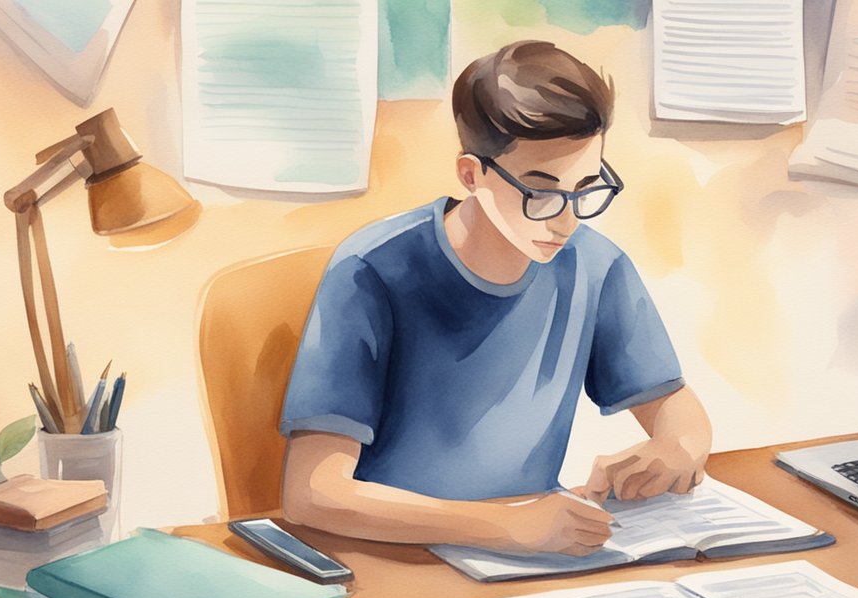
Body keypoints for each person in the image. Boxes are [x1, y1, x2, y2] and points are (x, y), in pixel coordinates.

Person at [278, 41, 711, 556]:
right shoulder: (372, 268)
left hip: (527, 559)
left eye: (586, 188)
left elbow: (675, 407)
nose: (566, 220)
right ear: (471, 175)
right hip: (396, 554)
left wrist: (676, 447)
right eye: (541, 191)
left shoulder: (595, 265)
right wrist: (504, 528)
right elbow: (311, 493)